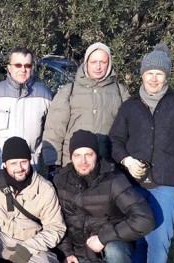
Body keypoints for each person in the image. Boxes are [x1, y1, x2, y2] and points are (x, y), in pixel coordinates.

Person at [109, 43, 174, 263]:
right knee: (136, 235)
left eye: (159, 73)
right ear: (142, 75)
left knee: (160, 235)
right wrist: (126, 160)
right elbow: (115, 140)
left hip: (166, 181)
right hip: (133, 182)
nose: (154, 78)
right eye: (150, 73)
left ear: (167, 75)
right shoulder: (130, 106)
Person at [51, 130, 154, 263]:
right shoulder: (61, 181)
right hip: (81, 252)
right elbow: (56, 221)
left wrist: (103, 238)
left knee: (115, 253)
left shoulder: (114, 179)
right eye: (77, 155)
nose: (83, 161)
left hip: (112, 244)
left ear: (96, 155)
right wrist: (67, 253)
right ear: (71, 157)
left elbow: (145, 219)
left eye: (88, 154)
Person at [42, 42, 130, 174]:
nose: (98, 67)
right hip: (72, 167)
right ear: (86, 63)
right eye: (94, 62)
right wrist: (52, 164)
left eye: (103, 62)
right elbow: (54, 130)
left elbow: (129, 132)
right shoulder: (69, 91)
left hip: (108, 167)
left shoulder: (120, 92)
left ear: (109, 63)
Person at [0, 47, 53, 171]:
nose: (23, 69)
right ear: (9, 67)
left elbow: (52, 132)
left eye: (27, 65)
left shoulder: (45, 95)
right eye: (18, 65)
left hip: (31, 168)